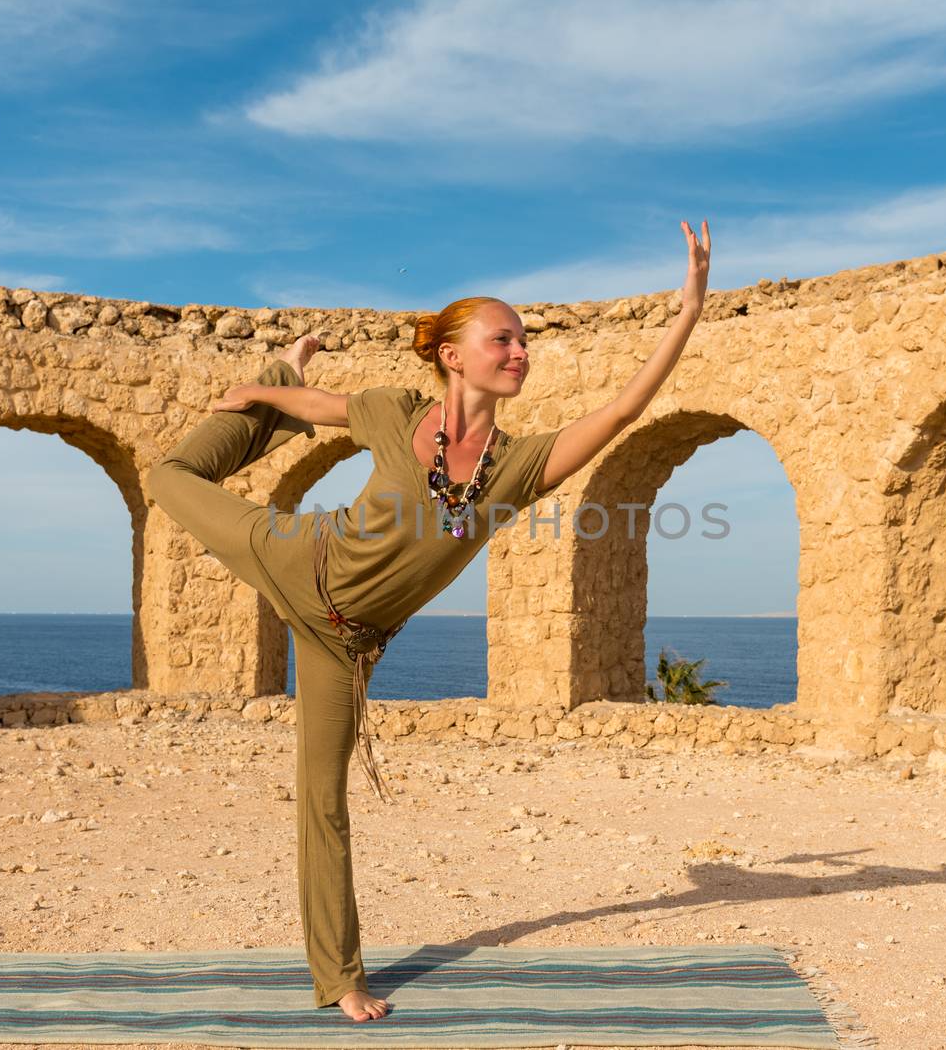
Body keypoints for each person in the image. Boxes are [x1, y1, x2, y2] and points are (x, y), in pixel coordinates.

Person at [144, 219, 711, 1022]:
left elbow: (618, 414)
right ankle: (265, 372)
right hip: (293, 556)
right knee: (170, 474)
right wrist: (271, 387)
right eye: (502, 339)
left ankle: (338, 976)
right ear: (452, 355)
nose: (520, 351)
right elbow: (326, 407)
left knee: (321, 797)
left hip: (343, 641)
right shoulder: (391, 411)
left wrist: (685, 312)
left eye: (523, 342)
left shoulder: (516, 468)